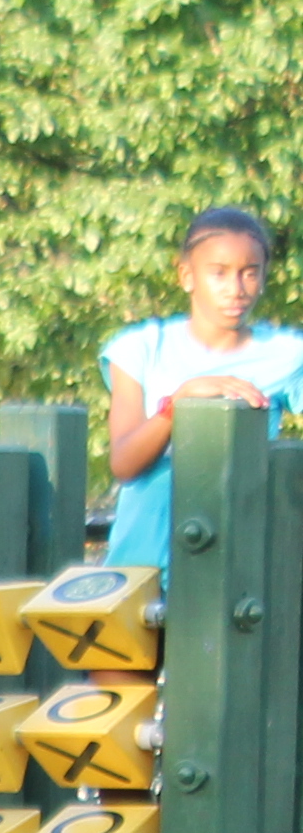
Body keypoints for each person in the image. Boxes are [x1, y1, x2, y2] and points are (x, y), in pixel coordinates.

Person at [103, 207, 303, 570]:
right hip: (142, 564)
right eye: (219, 273)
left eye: (250, 273)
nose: (236, 289)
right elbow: (124, 463)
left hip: (233, 567)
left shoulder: (288, 354)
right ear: (187, 276)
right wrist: (176, 406)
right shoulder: (141, 348)